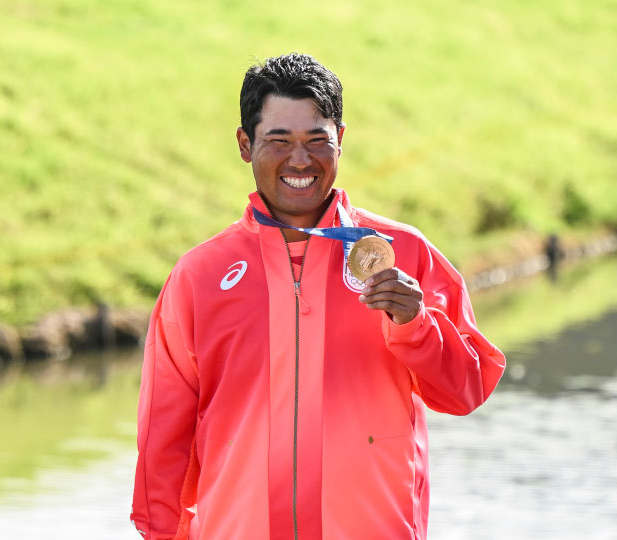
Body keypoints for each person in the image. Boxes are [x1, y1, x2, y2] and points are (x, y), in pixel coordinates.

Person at [130, 53, 505, 540]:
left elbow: (467, 389)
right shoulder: (200, 275)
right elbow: (164, 435)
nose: (300, 160)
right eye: (278, 141)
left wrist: (416, 324)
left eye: (317, 141)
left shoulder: (403, 252)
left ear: (341, 140)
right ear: (245, 145)